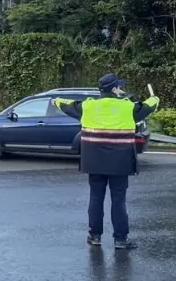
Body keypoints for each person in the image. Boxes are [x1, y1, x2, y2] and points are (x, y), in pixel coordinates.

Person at [52, 73, 159, 250]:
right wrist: (155, 98)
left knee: (96, 197)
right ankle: (120, 240)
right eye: (120, 86)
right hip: (120, 162)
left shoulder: (88, 106)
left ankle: (94, 236)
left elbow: (65, 104)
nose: (122, 89)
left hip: (94, 161)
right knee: (118, 200)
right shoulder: (128, 107)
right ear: (115, 89)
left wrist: (55, 100)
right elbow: (148, 106)